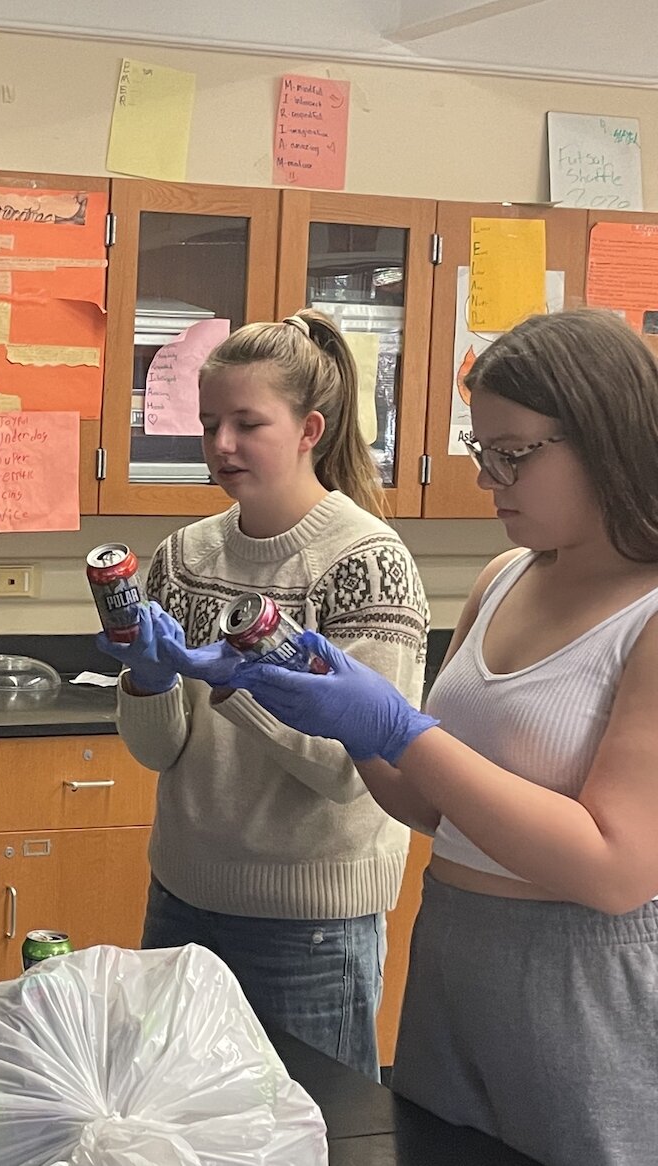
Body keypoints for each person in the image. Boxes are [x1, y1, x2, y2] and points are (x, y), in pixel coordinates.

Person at [222, 309, 658, 1166]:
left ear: (608, 437)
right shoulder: (504, 579)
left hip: (581, 976)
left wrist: (399, 726)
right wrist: (348, 724)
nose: (491, 477)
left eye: (515, 453)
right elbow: (431, 805)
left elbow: (615, 867)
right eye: (479, 449)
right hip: (454, 943)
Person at [95, 310, 430, 1078]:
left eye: (248, 423)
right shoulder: (186, 554)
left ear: (310, 428)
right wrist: (148, 677)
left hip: (309, 928)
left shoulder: (367, 562)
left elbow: (353, 770)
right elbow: (160, 753)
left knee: (309, 1137)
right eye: (210, 422)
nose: (220, 446)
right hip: (182, 897)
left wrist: (231, 681)